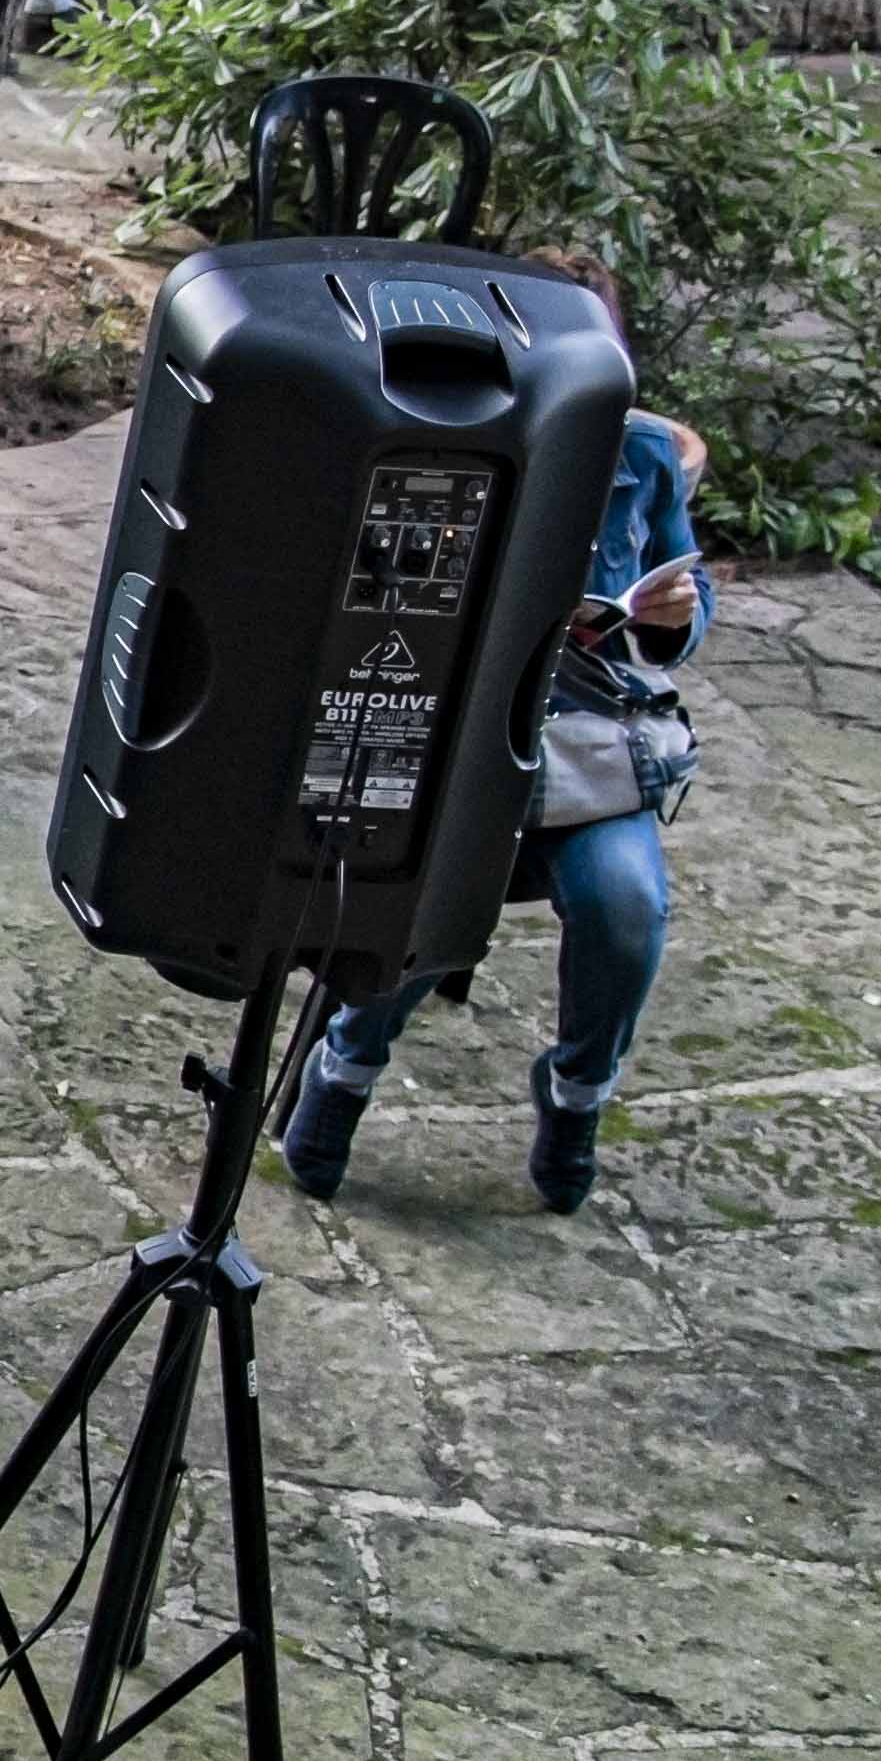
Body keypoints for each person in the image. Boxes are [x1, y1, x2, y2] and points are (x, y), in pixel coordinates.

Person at [280, 253, 703, 1215]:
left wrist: (671, 614)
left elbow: (686, 594)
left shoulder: (638, 457)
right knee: (418, 896)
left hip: (585, 747)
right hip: (455, 751)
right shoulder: (445, 442)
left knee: (624, 905)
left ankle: (575, 1095)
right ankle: (343, 1071)